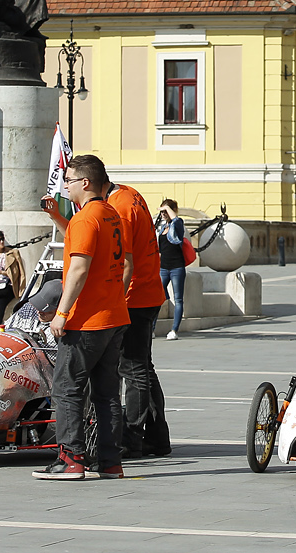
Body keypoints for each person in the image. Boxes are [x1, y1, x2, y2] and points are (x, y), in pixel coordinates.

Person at [34, 155, 131, 481]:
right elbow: (87, 242)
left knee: (66, 388)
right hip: (114, 316)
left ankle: (70, 459)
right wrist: (58, 217)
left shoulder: (86, 218)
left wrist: (61, 313)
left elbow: (78, 268)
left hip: (86, 320)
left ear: (85, 183)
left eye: (69, 180)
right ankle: (110, 462)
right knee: (106, 394)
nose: (65, 186)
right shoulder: (109, 214)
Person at [105, 177, 166, 459]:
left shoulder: (119, 208)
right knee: (142, 368)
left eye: (69, 181)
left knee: (132, 369)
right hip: (147, 292)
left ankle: (132, 437)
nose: (66, 187)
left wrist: (115, 300)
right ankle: (157, 437)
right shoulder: (129, 194)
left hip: (134, 297)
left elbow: (125, 262)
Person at [156, 200, 186, 340]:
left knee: (178, 299)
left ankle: (174, 330)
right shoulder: (163, 228)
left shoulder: (177, 225)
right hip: (164, 268)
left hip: (177, 267)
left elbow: (177, 220)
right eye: (162, 212)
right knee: (157, 297)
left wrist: (168, 208)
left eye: (165, 211)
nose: (163, 214)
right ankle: (151, 329)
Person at [0, 228, 25, 327]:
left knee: (2, 299)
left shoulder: (11, 253)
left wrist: (1, 272)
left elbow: (16, 274)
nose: (1, 242)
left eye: (2, 239)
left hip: (8, 285)